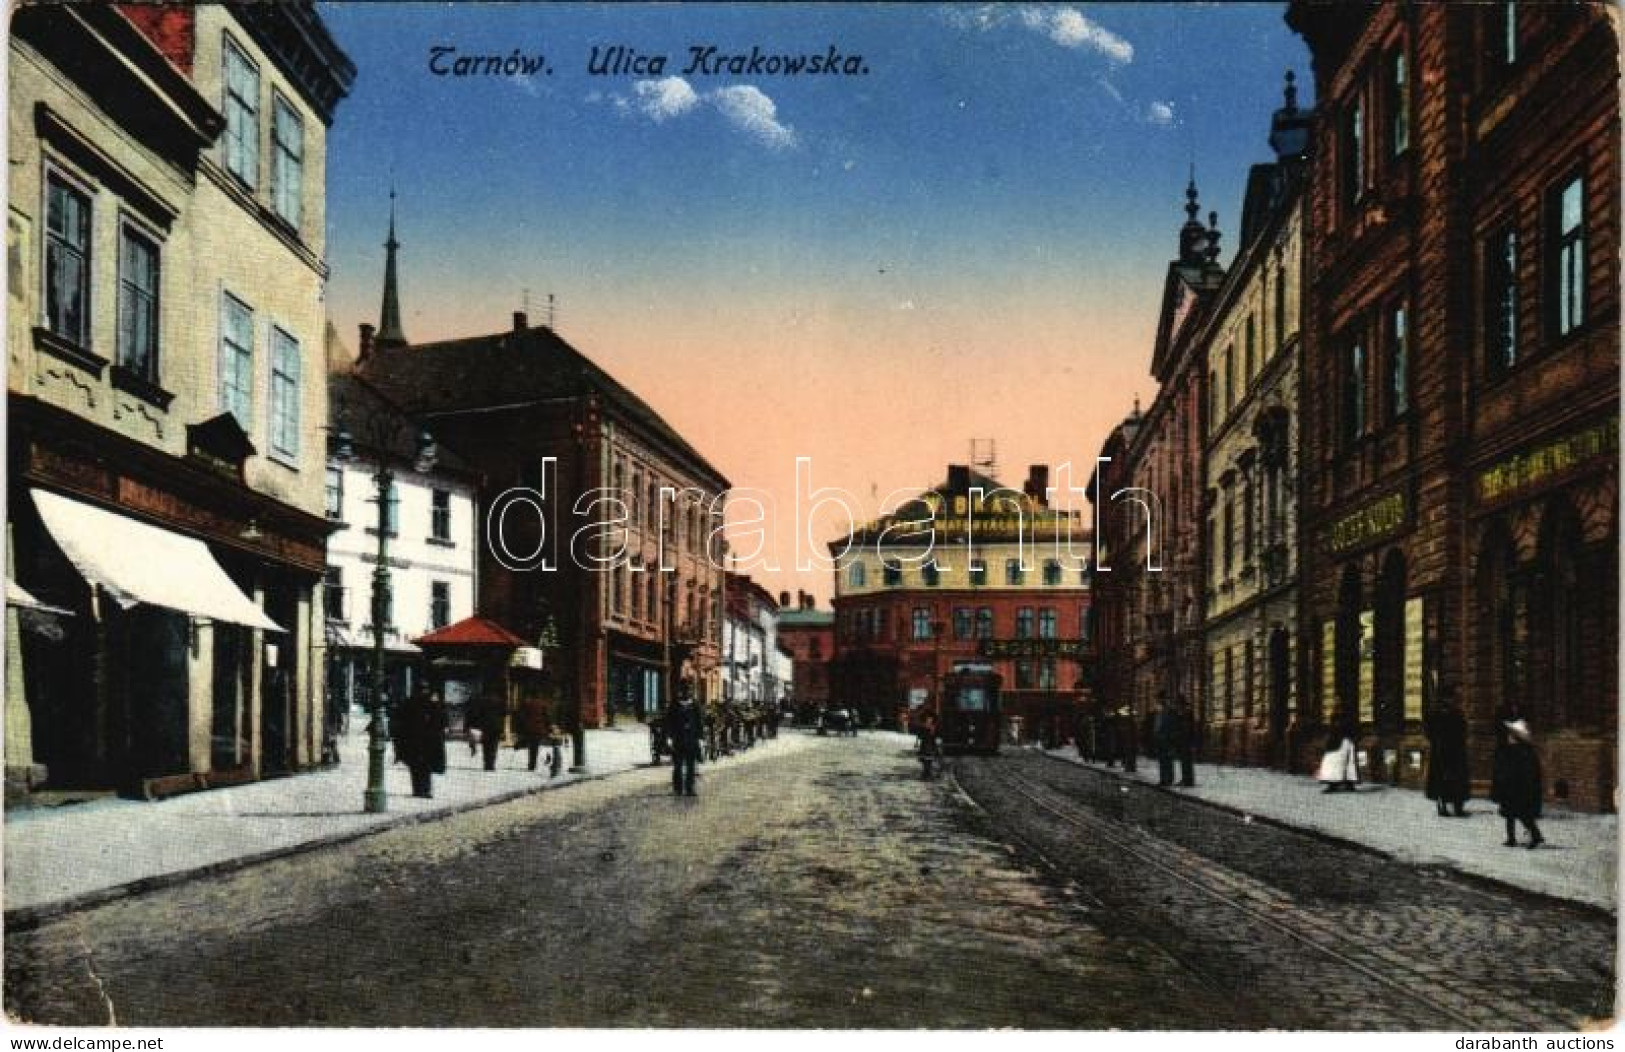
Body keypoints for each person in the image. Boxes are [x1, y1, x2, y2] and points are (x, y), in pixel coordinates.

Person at [1491, 711, 1544, 849]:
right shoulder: (1510, 751)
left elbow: (1527, 773)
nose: (1508, 737)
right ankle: (1511, 838)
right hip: (1510, 789)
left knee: (1523, 815)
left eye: (1511, 735)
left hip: (1519, 790)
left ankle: (1536, 836)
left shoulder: (1523, 752)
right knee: (1510, 815)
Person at [1424, 687, 1470, 817]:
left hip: (1455, 751)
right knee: (1442, 780)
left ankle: (1457, 806)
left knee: (1456, 780)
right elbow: (1429, 731)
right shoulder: (1436, 713)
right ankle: (1443, 805)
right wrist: (1436, 740)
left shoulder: (1456, 712)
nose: (1450, 700)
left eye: (1451, 698)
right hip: (1441, 751)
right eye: (1448, 698)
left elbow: (1463, 730)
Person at [395, 686, 438, 799]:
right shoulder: (428, 703)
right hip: (421, 740)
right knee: (423, 767)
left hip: (415, 741)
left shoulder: (409, 703)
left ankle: (419, 790)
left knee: (417, 767)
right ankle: (424, 790)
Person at [666, 684, 704, 796]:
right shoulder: (674, 705)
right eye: (683, 691)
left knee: (691, 765)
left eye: (687, 691)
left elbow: (699, 722)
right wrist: (669, 737)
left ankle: (690, 788)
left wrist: (701, 738)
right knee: (677, 765)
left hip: (692, 739)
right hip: (678, 738)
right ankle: (677, 788)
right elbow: (669, 722)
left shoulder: (695, 705)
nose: (685, 693)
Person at [514, 690, 553, 773]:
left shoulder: (527, 704)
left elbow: (521, 716)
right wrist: (549, 728)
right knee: (536, 747)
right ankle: (534, 764)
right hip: (539, 729)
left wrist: (522, 726)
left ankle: (531, 764)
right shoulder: (543, 704)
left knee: (532, 747)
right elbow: (547, 717)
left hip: (529, 729)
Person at [468, 689, 506, 771]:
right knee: (493, 747)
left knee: (486, 747)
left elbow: (478, 714)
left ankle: (486, 764)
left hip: (486, 727)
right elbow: (504, 713)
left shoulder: (483, 702)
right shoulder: (500, 702)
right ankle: (491, 764)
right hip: (496, 727)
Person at [1317, 722, 1358, 793]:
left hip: (1339, 743)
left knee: (1341, 763)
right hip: (1341, 743)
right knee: (1347, 764)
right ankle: (1347, 783)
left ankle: (1336, 784)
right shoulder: (1345, 738)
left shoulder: (1337, 730)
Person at [1153, 697, 1178, 786]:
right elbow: (1156, 726)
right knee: (1162, 761)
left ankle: (1169, 779)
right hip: (1160, 740)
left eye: (1159, 704)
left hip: (1167, 740)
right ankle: (1163, 779)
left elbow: (1172, 727)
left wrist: (1170, 738)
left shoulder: (1169, 714)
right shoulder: (1158, 714)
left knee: (1168, 761)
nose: (1157, 705)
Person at [1175, 696, 1198, 788]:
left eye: (1179, 704)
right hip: (1182, 740)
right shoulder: (1181, 713)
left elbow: (1190, 728)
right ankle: (1185, 779)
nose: (1178, 706)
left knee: (1187, 761)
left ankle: (1188, 780)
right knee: (1184, 761)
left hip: (1186, 740)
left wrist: (1192, 743)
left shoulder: (1187, 713)